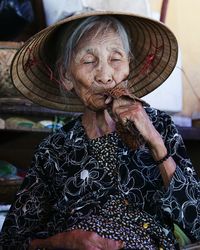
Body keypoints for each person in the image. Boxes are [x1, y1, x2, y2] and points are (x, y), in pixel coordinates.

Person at [0, 11, 199, 250]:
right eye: (88, 61)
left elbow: (195, 222)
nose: (105, 76)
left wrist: (156, 143)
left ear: (129, 67)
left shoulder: (160, 127)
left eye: (115, 59)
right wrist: (63, 241)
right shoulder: (54, 150)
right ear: (66, 76)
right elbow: (12, 240)